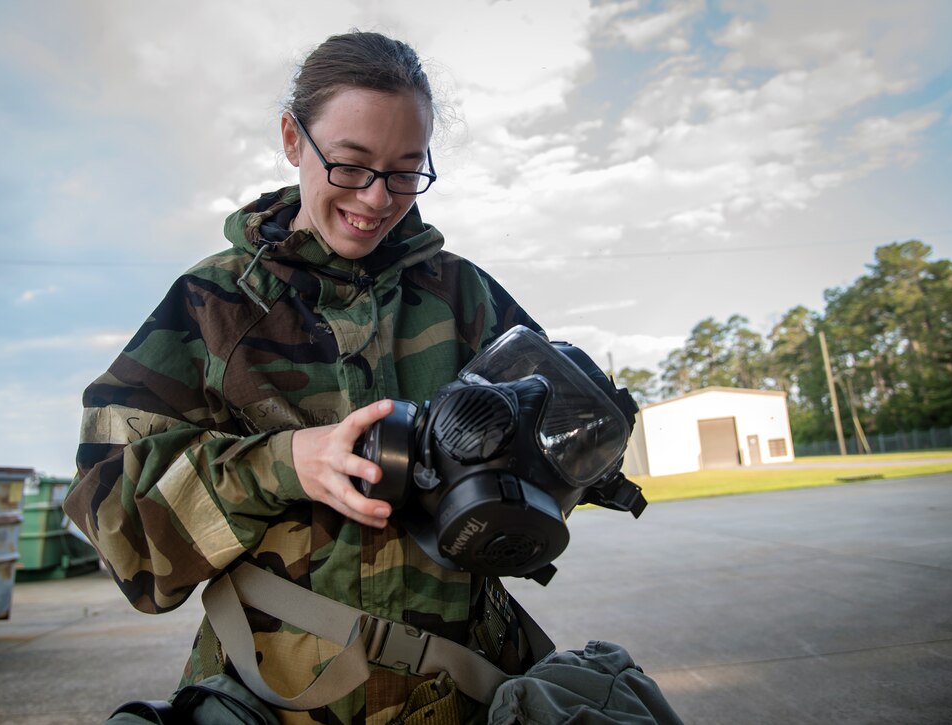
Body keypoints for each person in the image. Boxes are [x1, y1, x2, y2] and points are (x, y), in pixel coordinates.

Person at [66, 31, 657, 725]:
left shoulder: (463, 298)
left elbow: (581, 446)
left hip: (463, 692)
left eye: (406, 170)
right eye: (350, 166)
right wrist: (283, 465)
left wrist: (538, 456)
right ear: (293, 139)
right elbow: (116, 523)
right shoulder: (212, 309)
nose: (378, 198)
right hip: (275, 701)